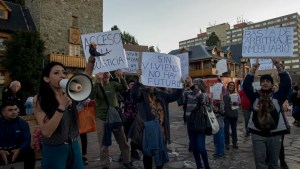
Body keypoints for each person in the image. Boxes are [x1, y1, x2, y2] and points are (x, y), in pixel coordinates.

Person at [32, 47, 95, 169]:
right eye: (56, 73)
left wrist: (92, 59)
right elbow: (46, 132)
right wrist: (61, 107)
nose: (62, 76)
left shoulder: (70, 92)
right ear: (46, 78)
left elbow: (85, 77)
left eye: (63, 72)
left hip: (74, 146)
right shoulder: (38, 100)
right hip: (54, 150)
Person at [243, 58, 291, 169]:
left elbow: (287, 84)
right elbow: (246, 86)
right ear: (260, 84)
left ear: (271, 84)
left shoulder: (278, 96)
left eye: (268, 81)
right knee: (260, 164)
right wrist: (252, 71)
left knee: (274, 164)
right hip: (257, 133)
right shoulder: (255, 96)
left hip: (275, 134)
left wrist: (279, 66)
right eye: (263, 81)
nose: (265, 83)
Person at [130, 70, 183, 169]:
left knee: (160, 154)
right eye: (147, 82)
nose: (149, 84)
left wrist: (180, 84)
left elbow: (175, 96)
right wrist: (138, 81)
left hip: (161, 131)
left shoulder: (162, 94)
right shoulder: (142, 94)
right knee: (147, 154)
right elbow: (134, 95)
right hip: (148, 131)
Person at [89, 70, 135, 169]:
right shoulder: (96, 85)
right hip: (102, 118)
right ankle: (105, 165)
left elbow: (125, 88)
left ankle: (126, 160)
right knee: (103, 144)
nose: (105, 75)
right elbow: (91, 96)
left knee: (123, 140)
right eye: (103, 73)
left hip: (114, 116)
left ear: (110, 74)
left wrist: (121, 77)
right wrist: (97, 82)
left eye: (107, 73)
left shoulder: (113, 84)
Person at [0, 101, 36, 169]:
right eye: (10, 110)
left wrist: (20, 149)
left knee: (30, 152)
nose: (14, 112)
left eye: (15, 109)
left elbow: (27, 139)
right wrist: (0, 150)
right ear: (3, 112)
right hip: (2, 151)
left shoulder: (23, 123)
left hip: (18, 150)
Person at [186, 78, 211, 169]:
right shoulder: (188, 94)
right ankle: (199, 166)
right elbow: (180, 100)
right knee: (194, 148)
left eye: (195, 84)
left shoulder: (204, 95)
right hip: (190, 124)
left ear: (200, 86)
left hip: (200, 124)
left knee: (201, 148)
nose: (193, 85)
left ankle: (206, 165)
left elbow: (201, 98)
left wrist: (191, 85)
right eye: (193, 84)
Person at [120, 79, 140, 160]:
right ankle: (123, 152)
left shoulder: (138, 93)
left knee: (135, 135)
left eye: (134, 84)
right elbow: (121, 93)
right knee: (125, 135)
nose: (133, 85)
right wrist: (120, 78)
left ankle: (134, 151)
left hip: (136, 117)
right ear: (128, 85)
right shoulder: (125, 93)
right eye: (131, 84)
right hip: (127, 117)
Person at [223, 81, 240, 149]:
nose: (231, 86)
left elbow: (239, 102)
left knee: (234, 129)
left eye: (232, 85)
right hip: (226, 114)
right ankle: (227, 143)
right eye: (230, 85)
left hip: (234, 114)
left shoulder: (236, 94)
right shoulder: (225, 94)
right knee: (226, 130)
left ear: (234, 87)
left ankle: (235, 142)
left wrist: (235, 103)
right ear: (228, 86)